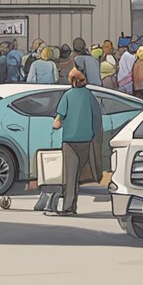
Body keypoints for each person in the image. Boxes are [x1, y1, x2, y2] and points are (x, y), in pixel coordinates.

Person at [51, 68, 101, 216]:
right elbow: (97, 118)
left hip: (70, 141)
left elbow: (57, 121)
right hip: (86, 141)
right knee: (77, 175)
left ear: (72, 81)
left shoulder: (67, 96)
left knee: (70, 175)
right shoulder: (90, 96)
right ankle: (72, 206)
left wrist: (57, 124)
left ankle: (68, 207)